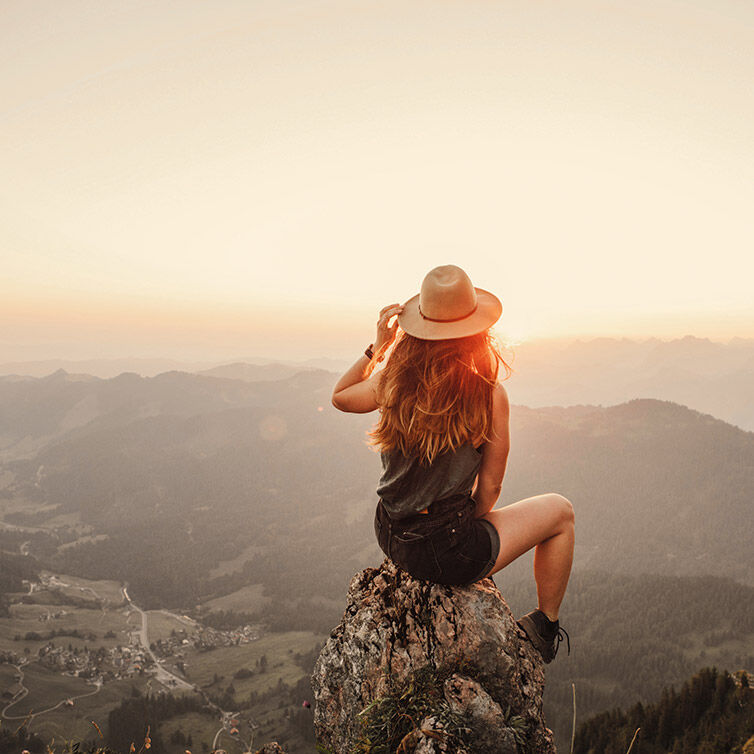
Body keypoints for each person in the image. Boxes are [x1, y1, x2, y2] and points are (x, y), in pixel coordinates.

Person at [331, 264, 573, 663]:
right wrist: (460, 530)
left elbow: (340, 397)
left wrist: (377, 348)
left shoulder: (394, 379)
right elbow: (491, 487)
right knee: (561, 514)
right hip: (446, 549)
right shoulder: (489, 395)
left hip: (389, 532)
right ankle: (545, 626)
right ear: (479, 328)